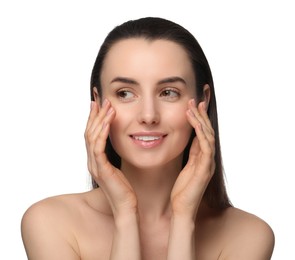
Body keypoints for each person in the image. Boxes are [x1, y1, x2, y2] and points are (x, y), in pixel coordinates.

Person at [21, 17, 275, 259]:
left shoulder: (248, 235)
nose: (148, 115)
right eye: (125, 94)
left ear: (203, 101)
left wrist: (183, 219)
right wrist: (124, 214)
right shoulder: (50, 223)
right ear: (97, 102)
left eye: (168, 92)